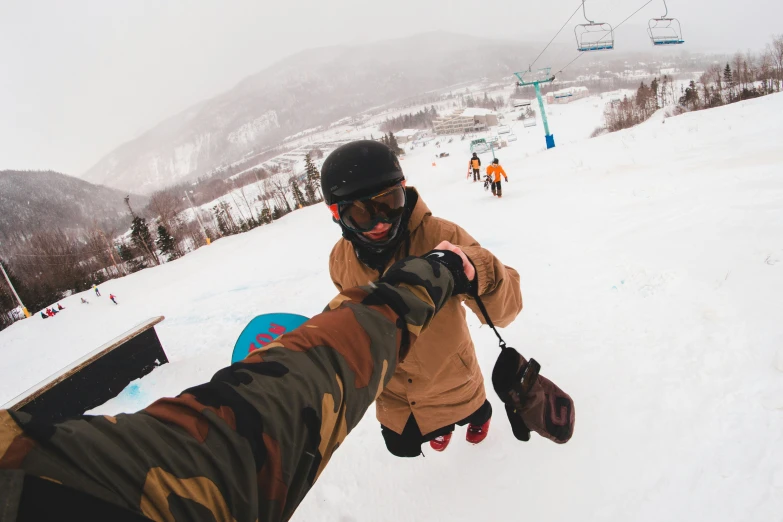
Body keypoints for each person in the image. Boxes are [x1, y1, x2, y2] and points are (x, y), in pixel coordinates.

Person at [0, 252, 471, 522]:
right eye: (356, 211)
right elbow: (265, 420)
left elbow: (504, 294)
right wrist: (427, 279)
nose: (372, 222)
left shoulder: (35, 471)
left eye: (386, 203)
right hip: (389, 382)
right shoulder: (42, 472)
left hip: (438, 379)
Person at [322, 140, 522, 457]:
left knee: (472, 408)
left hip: (451, 374)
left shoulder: (442, 236)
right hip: (397, 393)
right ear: (337, 214)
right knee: (410, 440)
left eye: (390, 202)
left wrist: (479, 272)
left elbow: (505, 312)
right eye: (362, 214)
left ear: (404, 189)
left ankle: (478, 417)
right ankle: (438, 426)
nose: (381, 222)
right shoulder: (340, 259)